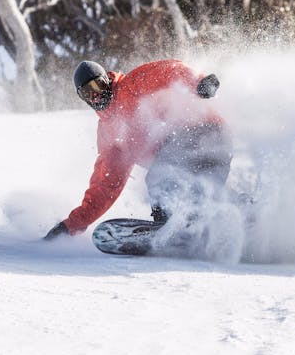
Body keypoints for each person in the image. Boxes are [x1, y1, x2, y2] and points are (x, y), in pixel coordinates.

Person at [44, 59, 231, 240]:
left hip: (204, 132)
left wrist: (199, 81)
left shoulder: (132, 86)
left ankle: (169, 228)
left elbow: (168, 71)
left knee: (161, 177)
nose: (96, 95)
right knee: (202, 190)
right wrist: (71, 225)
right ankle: (236, 213)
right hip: (193, 158)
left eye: (98, 86)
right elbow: (105, 186)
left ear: (107, 80)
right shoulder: (109, 134)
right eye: (87, 93)